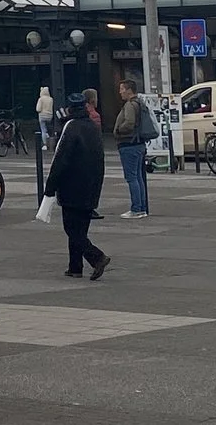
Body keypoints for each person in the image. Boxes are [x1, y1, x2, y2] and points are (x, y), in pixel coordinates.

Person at [47, 88, 110, 279]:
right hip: (92, 185)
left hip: (72, 186)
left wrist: (50, 186)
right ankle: (75, 267)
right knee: (80, 227)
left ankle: (97, 257)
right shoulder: (92, 126)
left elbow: (61, 159)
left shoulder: (71, 128)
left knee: (71, 229)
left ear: (69, 109)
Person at [113, 75, 156, 219]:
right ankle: (142, 207)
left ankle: (136, 208)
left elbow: (129, 123)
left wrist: (119, 130)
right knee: (138, 177)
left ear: (129, 90)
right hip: (139, 144)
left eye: (122, 89)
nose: (120, 92)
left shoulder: (130, 105)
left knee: (131, 178)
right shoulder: (139, 103)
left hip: (129, 144)